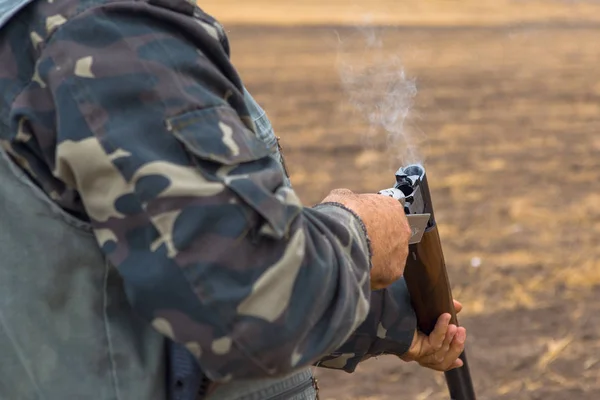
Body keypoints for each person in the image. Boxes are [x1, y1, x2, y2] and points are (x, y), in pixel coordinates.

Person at [0, 0, 467, 398]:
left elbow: (174, 270)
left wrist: (397, 325)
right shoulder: (109, 35)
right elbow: (248, 304)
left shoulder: (48, 30)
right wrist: (358, 233)